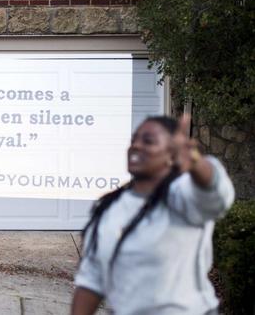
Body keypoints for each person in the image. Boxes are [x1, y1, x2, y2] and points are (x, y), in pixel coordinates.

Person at [72, 115, 234, 315]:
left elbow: (215, 193)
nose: (136, 146)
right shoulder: (111, 207)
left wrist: (194, 160)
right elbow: (92, 279)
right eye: (134, 140)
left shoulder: (183, 196)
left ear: (172, 154)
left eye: (148, 141)